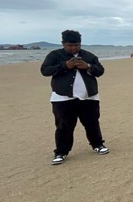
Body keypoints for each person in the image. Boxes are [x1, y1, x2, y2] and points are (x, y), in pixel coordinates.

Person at [40, 30, 109, 165]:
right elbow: (45, 71)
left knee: (92, 123)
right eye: (69, 45)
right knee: (63, 126)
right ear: (63, 44)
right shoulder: (55, 55)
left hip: (89, 97)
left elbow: (100, 71)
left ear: (80, 44)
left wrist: (88, 66)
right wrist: (65, 65)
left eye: (76, 45)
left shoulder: (88, 56)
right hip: (62, 98)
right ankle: (61, 152)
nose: (73, 48)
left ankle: (98, 144)